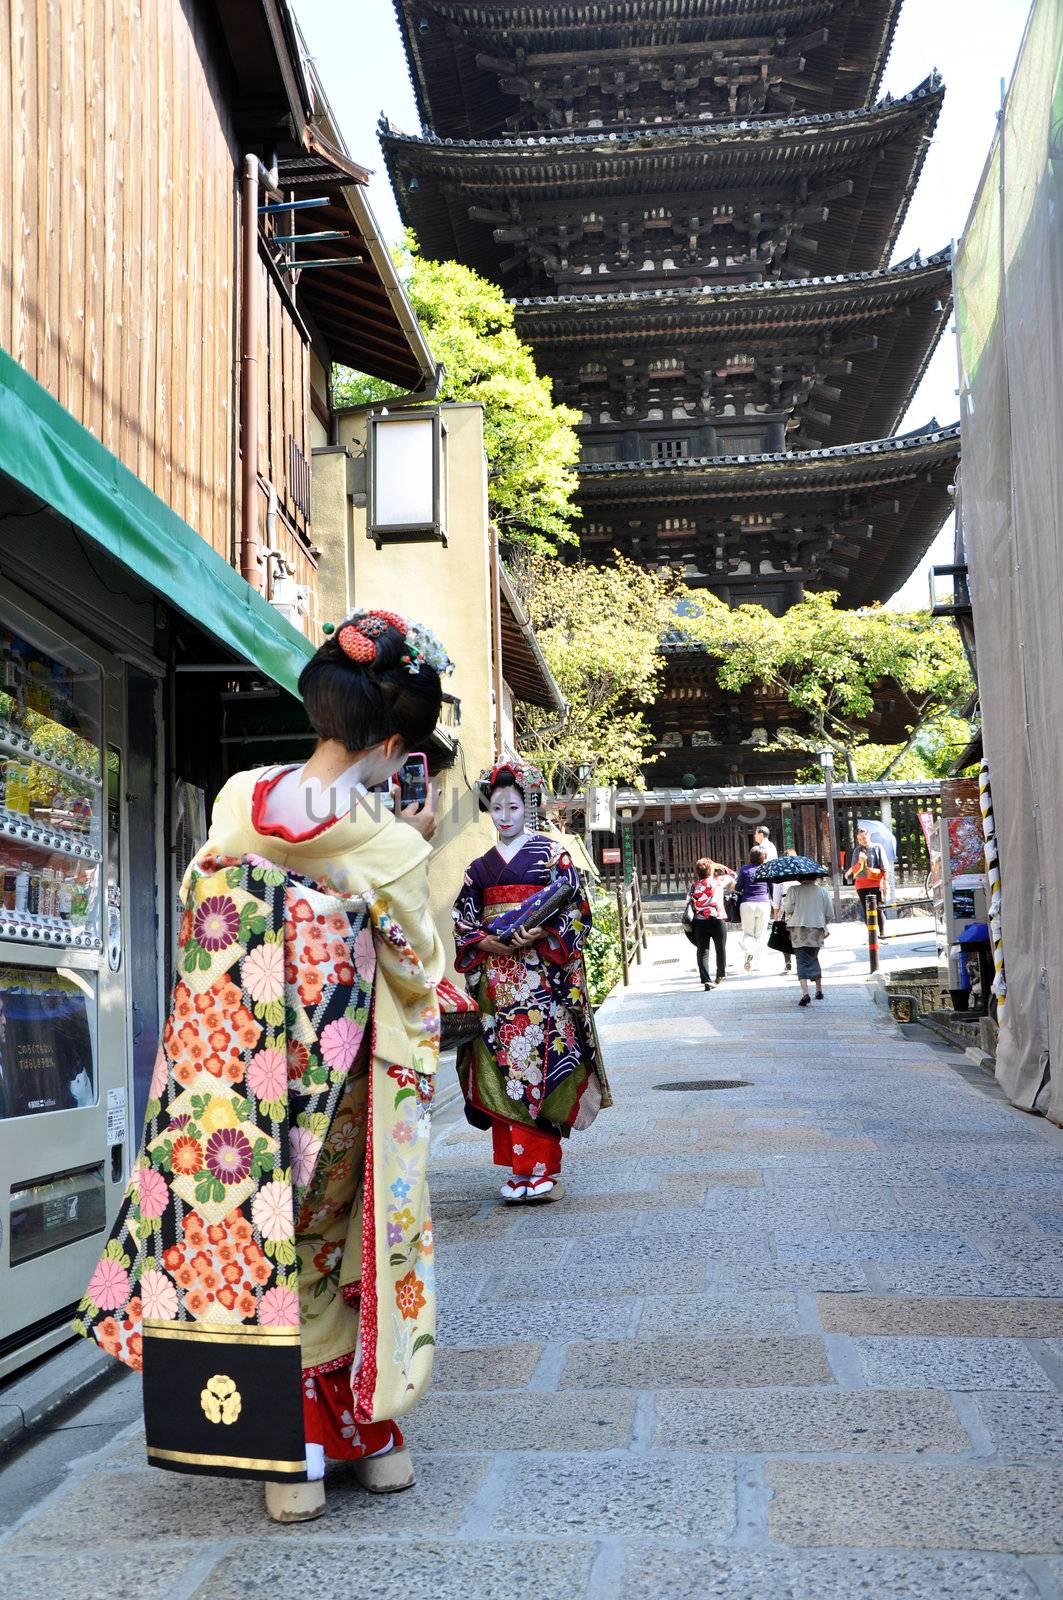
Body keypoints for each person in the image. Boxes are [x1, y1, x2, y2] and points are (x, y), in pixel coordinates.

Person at [76, 610, 449, 1523]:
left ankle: (286, 1461)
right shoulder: (388, 845)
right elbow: (420, 967)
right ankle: (354, 1442)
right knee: (331, 1249)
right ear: (394, 742)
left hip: (232, 1085)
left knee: (253, 1245)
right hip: (340, 1085)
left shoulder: (239, 800)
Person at [453, 760, 610, 1204]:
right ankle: (518, 1169)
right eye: (497, 807)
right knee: (501, 1072)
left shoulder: (552, 855)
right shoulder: (479, 869)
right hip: (497, 985)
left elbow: (578, 908)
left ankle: (540, 1168)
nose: (504, 816)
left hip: (541, 984)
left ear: (530, 808)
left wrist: (542, 931)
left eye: (514, 807)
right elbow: (462, 921)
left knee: (538, 1068)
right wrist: (486, 943)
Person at [783, 875, 834, 1005]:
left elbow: (788, 909)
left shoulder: (793, 890)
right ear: (815, 877)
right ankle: (818, 990)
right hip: (817, 928)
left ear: (800, 878)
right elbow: (829, 913)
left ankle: (805, 993)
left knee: (801, 959)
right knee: (813, 957)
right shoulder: (823, 891)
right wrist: (821, 922)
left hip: (798, 928)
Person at [687, 856, 734, 989]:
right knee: (720, 948)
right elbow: (732, 874)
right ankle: (720, 975)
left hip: (700, 921)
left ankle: (706, 980)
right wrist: (717, 865)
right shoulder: (718, 882)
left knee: (702, 951)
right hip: (717, 919)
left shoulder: (694, 886)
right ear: (710, 870)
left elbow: (689, 902)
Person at [734, 845, 772, 972]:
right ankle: (758, 964)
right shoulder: (766, 869)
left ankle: (748, 951)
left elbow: (738, 888)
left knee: (748, 933)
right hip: (763, 903)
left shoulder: (744, 869)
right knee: (760, 935)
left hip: (747, 904)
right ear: (763, 857)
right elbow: (771, 888)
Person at [844, 826, 888, 924]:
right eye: (859, 839)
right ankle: (871, 937)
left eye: (864, 838)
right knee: (866, 910)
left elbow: (884, 866)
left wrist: (885, 882)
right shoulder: (857, 850)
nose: (862, 841)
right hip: (861, 884)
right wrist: (860, 862)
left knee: (878, 909)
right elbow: (854, 869)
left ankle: (881, 933)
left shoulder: (877, 847)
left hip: (875, 882)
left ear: (869, 836)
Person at [770, 847, 799, 973]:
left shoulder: (780, 874)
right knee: (798, 934)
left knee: (785, 935)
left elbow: (776, 896)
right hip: (799, 905)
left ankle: (787, 961)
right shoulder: (800, 872)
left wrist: (776, 913)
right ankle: (800, 959)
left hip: (785, 906)